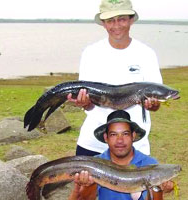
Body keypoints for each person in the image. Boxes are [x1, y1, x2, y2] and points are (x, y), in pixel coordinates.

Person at [67, 0, 163, 156]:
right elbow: (89, 105)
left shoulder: (147, 54)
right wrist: (84, 103)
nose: (116, 25)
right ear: (103, 24)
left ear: (131, 20)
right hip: (93, 142)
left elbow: (156, 104)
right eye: (110, 20)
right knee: (85, 181)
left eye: (122, 19)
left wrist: (152, 105)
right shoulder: (91, 53)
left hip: (134, 143)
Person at [68, 110, 174, 200]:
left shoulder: (150, 164)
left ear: (133, 136)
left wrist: (157, 189)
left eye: (125, 134)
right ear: (106, 138)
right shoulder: (94, 164)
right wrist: (88, 185)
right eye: (114, 134)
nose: (120, 140)